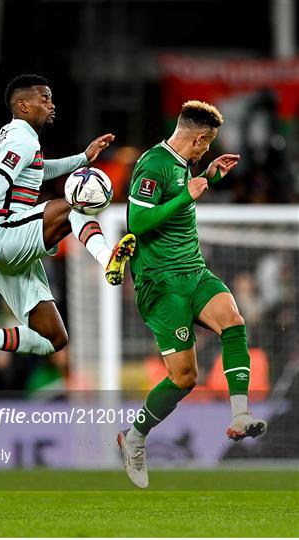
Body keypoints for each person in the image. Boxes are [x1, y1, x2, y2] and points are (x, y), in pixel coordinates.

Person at [0, 74, 135, 385]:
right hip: (5, 236)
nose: (51, 104)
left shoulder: (18, 137)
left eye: (51, 97)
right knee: (75, 203)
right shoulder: (21, 136)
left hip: (10, 251)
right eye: (43, 98)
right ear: (22, 105)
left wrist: (83, 158)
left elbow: (39, 171)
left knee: (54, 340)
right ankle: (106, 257)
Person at [117, 100, 267, 488]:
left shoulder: (183, 164)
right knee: (184, 379)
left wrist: (209, 176)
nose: (206, 151)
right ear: (200, 137)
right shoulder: (152, 164)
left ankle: (239, 416)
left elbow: (182, 191)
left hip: (193, 272)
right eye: (207, 145)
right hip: (160, 283)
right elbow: (137, 221)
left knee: (234, 320)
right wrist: (189, 195)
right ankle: (134, 437)